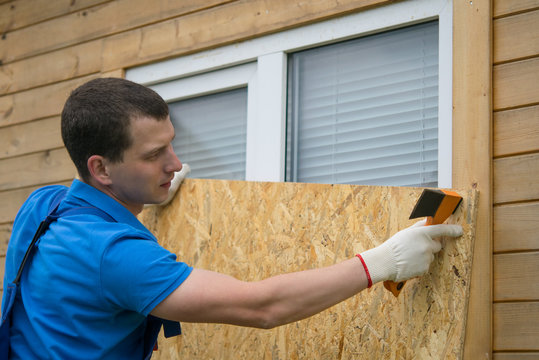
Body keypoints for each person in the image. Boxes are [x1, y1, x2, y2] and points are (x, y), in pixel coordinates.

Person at [1, 78, 463, 359]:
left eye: (172, 143)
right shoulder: (116, 257)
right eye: (154, 154)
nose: (176, 164)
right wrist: (380, 262)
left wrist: (138, 198)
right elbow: (260, 307)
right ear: (101, 168)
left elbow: (92, 259)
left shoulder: (44, 206)